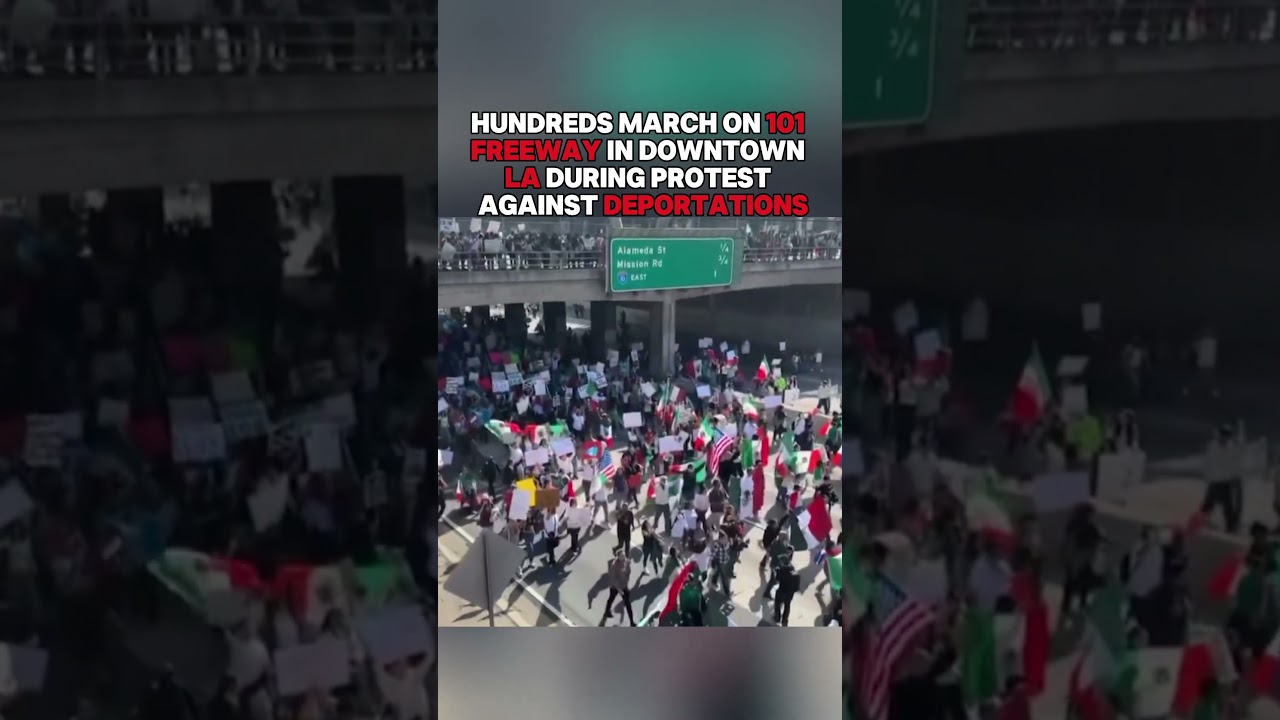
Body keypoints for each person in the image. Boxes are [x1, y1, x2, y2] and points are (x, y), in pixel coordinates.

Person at [1202, 424, 1242, 533]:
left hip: (1226, 481)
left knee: (1228, 506)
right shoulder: (1212, 446)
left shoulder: (1232, 447)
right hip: (1214, 480)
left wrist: (1235, 477)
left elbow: (1236, 463)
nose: (1224, 436)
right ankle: (1200, 523)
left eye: (1227, 434)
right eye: (1223, 434)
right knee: (1208, 504)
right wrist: (1208, 476)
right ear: (1219, 434)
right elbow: (1208, 462)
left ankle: (1230, 527)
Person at [602, 549, 636, 626]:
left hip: (624, 585)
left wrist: (626, 581)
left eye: (624, 555)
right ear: (618, 557)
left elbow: (628, 571)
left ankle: (632, 621)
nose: (623, 557)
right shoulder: (614, 565)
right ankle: (607, 611)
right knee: (611, 598)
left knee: (628, 603)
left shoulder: (626, 561)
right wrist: (619, 589)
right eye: (622, 556)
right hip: (615, 587)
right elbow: (614, 579)